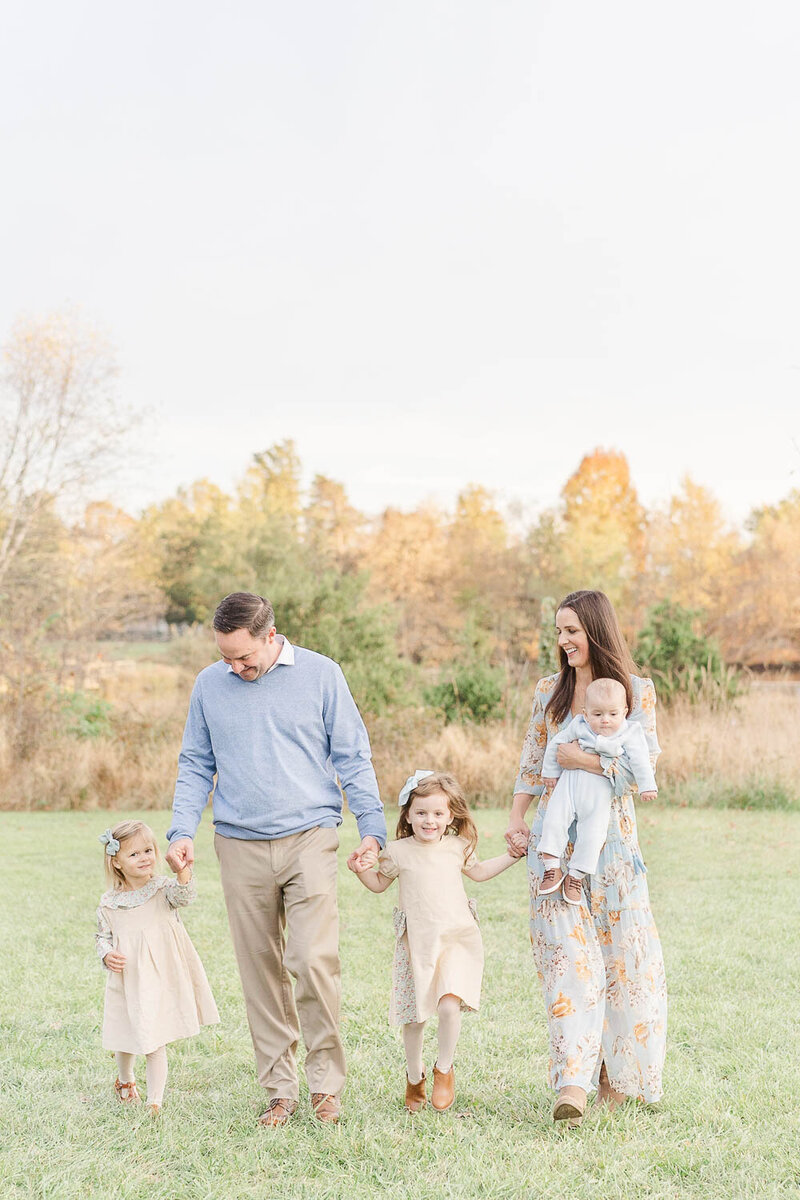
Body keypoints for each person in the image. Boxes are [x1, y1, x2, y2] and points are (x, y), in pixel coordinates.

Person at [165, 591, 387, 1128]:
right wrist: (181, 829)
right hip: (237, 842)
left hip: (310, 835)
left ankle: (326, 1087)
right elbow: (196, 761)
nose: (234, 667)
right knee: (259, 970)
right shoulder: (208, 685)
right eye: (225, 657)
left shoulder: (321, 674)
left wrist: (373, 828)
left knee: (311, 960)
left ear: (271, 636)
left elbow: (353, 755)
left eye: (244, 657)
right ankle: (280, 1090)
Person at [505, 590, 667, 1127]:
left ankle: (617, 1080)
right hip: (554, 847)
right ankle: (573, 1081)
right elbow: (533, 759)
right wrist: (516, 818)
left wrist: (581, 760)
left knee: (619, 962)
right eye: (557, 631)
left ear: (595, 629)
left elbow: (639, 774)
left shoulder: (636, 692)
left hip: (613, 851)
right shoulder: (548, 691)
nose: (562, 641)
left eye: (571, 630)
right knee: (568, 963)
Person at [351, 770, 525, 1113]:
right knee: (415, 1018)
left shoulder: (457, 847)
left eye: (438, 814)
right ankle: (414, 1076)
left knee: (448, 1006)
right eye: (421, 813)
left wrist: (512, 856)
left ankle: (444, 1069)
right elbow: (377, 884)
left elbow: (479, 872)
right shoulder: (398, 852)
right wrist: (359, 869)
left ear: (450, 817)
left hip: (457, 938)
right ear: (408, 815)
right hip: (418, 943)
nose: (429, 820)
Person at [95, 820, 219, 1115]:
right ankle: (125, 1081)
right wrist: (106, 954)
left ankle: (155, 1102)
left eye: (148, 850)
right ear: (117, 863)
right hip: (127, 979)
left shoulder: (163, 889)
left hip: (160, 977)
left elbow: (185, 896)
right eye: (134, 854)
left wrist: (182, 871)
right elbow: (103, 936)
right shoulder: (110, 902)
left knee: (154, 1037)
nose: (145, 858)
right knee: (124, 1033)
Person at [534, 677, 657, 905]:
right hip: (569, 785)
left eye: (612, 714)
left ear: (624, 712)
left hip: (599, 792)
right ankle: (552, 867)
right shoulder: (579, 725)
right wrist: (550, 772)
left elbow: (640, 760)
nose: (605, 721)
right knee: (553, 820)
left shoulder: (630, 732)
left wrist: (647, 786)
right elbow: (557, 743)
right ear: (586, 712)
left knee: (593, 834)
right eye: (597, 714)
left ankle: (576, 876)